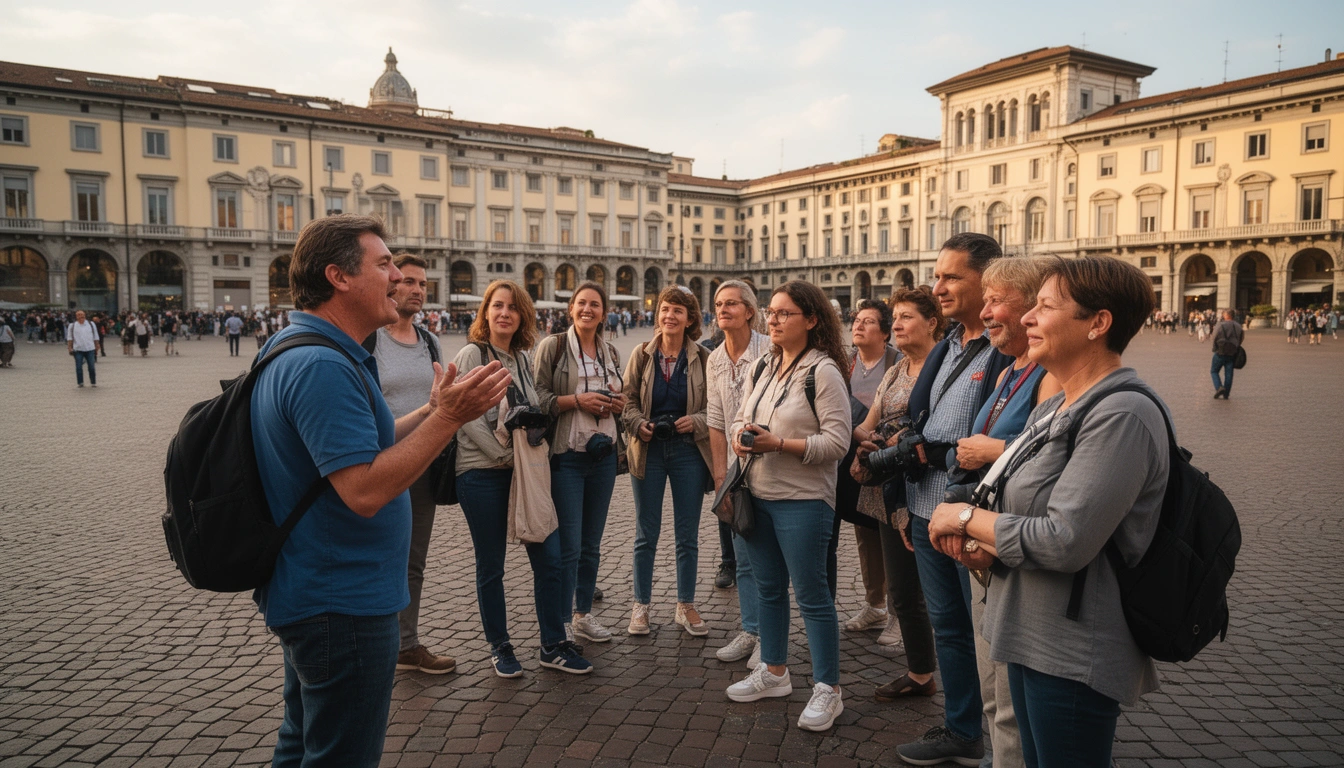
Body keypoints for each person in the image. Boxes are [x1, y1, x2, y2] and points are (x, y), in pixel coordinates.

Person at [250, 214, 510, 767]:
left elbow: (363, 447)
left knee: (300, 746)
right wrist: (448, 421)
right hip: (340, 604)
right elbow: (364, 490)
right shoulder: (322, 364)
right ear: (339, 277)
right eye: (385, 263)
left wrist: (434, 409)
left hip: (322, 594)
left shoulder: (312, 347)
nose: (399, 276)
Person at [928, 255, 1167, 768]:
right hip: (1029, 630)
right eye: (1030, 306)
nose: (1028, 319)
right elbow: (1015, 498)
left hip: (1073, 649)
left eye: (1045, 307)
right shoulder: (1056, 406)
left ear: (1098, 323)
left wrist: (964, 520)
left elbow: (1064, 538)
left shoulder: (1122, 413)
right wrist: (986, 549)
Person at [895, 233, 1013, 767]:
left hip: (971, 517)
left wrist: (938, 454)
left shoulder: (1005, 350)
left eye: (951, 278)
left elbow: (1001, 439)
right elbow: (922, 421)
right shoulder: (947, 345)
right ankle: (963, 730)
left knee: (988, 635)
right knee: (948, 627)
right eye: (936, 275)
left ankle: (1005, 743)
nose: (936, 287)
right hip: (925, 509)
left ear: (985, 282)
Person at [724, 280, 852, 732]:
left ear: (812, 320)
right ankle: (774, 671)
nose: (773, 320)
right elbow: (742, 414)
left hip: (803, 501)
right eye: (771, 313)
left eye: (784, 314)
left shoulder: (824, 371)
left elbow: (838, 442)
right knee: (768, 588)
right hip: (757, 494)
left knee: (813, 595)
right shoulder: (764, 365)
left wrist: (779, 443)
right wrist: (743, 437)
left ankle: (828, 688)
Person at [951, 257, 1061, 768]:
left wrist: (990, 451)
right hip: (987, 546)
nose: (987, 311)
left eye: (997, 301)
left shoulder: (1049, 375)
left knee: (1012, 699)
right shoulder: (1009, 369)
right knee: (993, 688)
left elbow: (1057, 450)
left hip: (1012, 543)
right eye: (987, 300)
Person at [455, 279, 592, 677]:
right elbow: (464, 416)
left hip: (524, 474)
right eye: (497, 306)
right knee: (491, 565)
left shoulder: (521, 357)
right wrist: (501, 454)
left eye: (513, 308)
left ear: (522, 316)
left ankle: (552, 643)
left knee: (549, 559)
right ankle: (500, 646)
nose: (504, 313)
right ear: (486, 312)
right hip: (481, 474)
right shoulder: (472, 354)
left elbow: (533, 411)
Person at [364, 253, 456, 675]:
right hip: (375, 463)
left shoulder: (429, 341)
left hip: (420, 463)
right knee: (371, 556)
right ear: (391, 284)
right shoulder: (370, 340)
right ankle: (368, 644)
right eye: (411, 282)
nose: (419, 290)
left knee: (412, 558)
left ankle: (406, 643)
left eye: (424, 285)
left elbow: (437, 400)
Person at [850, 288, 942, 707]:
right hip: (886, 489)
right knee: (902, 590)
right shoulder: (897, 369)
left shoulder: (943, 368)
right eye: (896, 317)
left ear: (933, 323)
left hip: (925, 490)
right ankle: (921, 672)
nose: (898, 324)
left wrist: (890, 441)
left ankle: (948, 678)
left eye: (907, 317)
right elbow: (868, 422)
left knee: (935, 591)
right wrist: (867, 442)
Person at [532, 281, 627, 645]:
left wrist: (618, 404)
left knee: (592, 543)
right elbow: (538, 397)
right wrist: (577, 400)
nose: (588, 310)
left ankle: (583, 613)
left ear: (604, 312)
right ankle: (561, 621)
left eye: (595, 305)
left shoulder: (611, 352)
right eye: (582, 303)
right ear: (571, 308)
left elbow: (621, 395)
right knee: (569, 545)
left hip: (602, 459)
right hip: (567, 458)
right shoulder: (553, 347)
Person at [620, 285, 713, 637]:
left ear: (690, 319)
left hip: (689, 451)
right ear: (657, 315)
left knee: (687, 535)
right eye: (664, 309)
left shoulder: (704, 358)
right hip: (649, 451)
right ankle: (640, 607)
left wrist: (698, 421)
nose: (669, 316)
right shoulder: (642, 355)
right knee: (646, 533)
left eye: (678, 310)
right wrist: (637, 424)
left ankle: (685, 604)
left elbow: (715, 407)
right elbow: (627, 400)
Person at [705, 280, 771, 667]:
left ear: (750, 310)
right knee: (744, 555)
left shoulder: (769, 349)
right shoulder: (714, 358)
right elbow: (715, 420)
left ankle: (770, 636)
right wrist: (720, 477)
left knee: (769, 559)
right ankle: (750, 629)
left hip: (771, 465)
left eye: (732, 303)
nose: (723, 309)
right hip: (736, 472)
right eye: (718, 304)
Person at [839, 299, 901, 642]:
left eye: (867, 322)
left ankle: (898, 612)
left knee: (890, 533)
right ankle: (874, 603)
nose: (857, 326)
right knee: (864, 532)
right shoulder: (846, 363)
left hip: (884, 455)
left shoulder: (897, 362)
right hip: (852, 459)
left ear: (885, 332)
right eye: (856, 321)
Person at [1210, 309, 1244, 400]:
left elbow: (1214, 337)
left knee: (1214, 371)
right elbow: (1241, 338)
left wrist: (1214, 348)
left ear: (1226, 315)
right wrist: (1237, 346)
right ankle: (1226, 393)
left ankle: (1219, 387)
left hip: (1220, 351)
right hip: (1232, 352)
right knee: (1229, 373)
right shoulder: (1238, 326)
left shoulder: (1220, 325)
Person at [66, 310, 101, 387]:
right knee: (78, 367)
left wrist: (97, 345)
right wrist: (69, 347)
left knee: (91, 366)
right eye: (79, 315)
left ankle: (93, 382)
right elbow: (70, 338)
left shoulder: (91, 324)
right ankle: (80, 382)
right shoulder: (72, 326)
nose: (81, 316)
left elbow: (95, 335)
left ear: (85, 315)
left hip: (90, 348)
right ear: (76, 316)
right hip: (78, 349)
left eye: (82, 315)